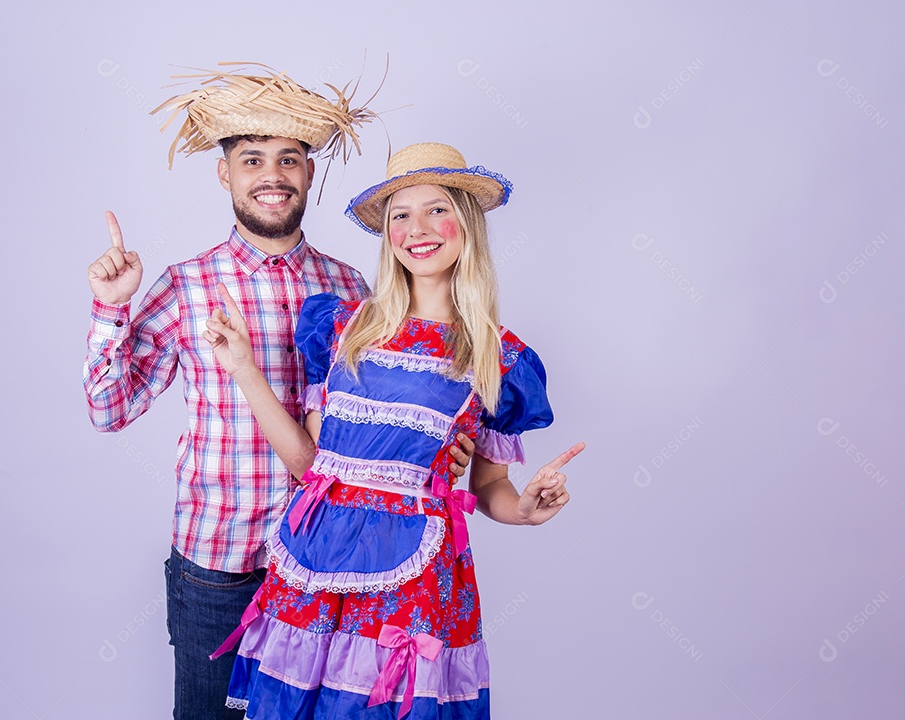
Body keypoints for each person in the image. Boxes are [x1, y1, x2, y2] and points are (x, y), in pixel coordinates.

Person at [83, 66, 476, 720]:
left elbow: (403, 414)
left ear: (310, 173)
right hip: (220, 571)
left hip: (336, 571)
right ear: (225, 173)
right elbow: (108, 409)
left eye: (288, 159)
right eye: (253, 159)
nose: (273, 174)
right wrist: (110, 311)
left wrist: (447, 448)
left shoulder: (357, 291)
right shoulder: (188, 287)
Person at [203, 141, 585, 719]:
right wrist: (244, 370)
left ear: (467, 223)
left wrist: (525, 508)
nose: (417, 228)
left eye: (436, 209)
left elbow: (487, 489)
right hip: (314, 563)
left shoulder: (497, 357)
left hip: (413, 583)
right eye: (400, 215)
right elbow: (311, 467)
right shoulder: (341, 327)